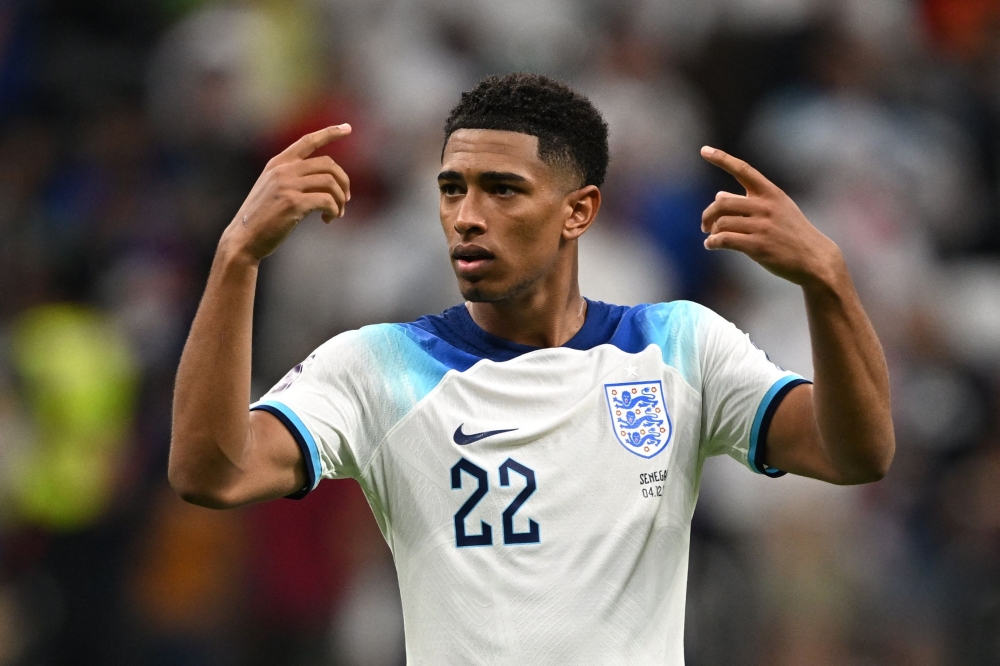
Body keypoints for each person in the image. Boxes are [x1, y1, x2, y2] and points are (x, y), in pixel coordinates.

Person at [169, 73, 894, 664]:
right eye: (452, 188)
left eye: (502, 189)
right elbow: (211, 472)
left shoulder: (679, 347)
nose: (466, 216)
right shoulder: (377, 366)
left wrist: (828, 282)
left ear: (578, 212)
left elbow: (855, 453)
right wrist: (237, 258)